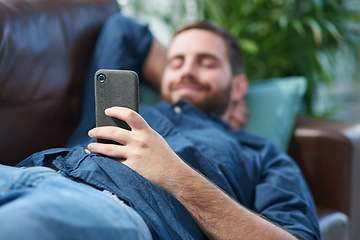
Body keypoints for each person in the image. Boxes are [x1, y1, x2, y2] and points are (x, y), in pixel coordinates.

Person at [0, 13, 320, 240]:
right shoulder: (120, 109)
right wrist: (178, 78)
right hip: (22, 172)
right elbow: (123, 29)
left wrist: (172, 173)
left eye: (206, 62)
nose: (188, 71)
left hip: (110, 208)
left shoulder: (261, 154)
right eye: (177, 62)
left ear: (238, 87)